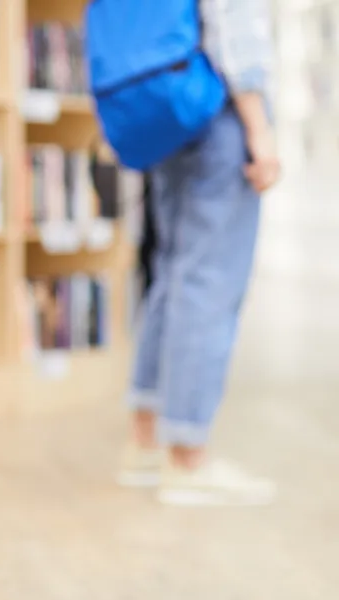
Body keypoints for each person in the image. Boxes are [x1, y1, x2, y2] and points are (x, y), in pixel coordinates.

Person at [119, 0, 281, 506]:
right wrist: (258, 124)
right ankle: (187, 457)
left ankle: (145, 441)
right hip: (219, 108)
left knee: (173, 273)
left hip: (172, 109)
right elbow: (232, 19)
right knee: (209, 280)